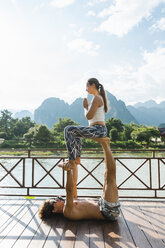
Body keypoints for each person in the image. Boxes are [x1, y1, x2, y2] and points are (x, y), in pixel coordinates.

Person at [38, 137, 120, 221]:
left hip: (102, 202)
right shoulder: (67, 211)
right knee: (111, 176)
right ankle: (104, 144)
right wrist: (68, 171)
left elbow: (73, 183)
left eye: (55, 198)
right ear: (54, 210)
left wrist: (74, 164)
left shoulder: (70, 201)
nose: (58, 199)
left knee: (107, 175)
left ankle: (106, 144)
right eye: (54, 201)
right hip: (108, 211)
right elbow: (69, 190)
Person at [59, 78, 109, 171]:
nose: (86, 89)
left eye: (87, 86)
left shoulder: (97, 98)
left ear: (93, 85)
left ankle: (71, 161)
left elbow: (89, 116)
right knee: (75, 133)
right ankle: (77, 158)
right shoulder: (96, 98)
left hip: (99, 130)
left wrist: (85, 107)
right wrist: (86, 107)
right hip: (96, 129)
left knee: (68, 129)